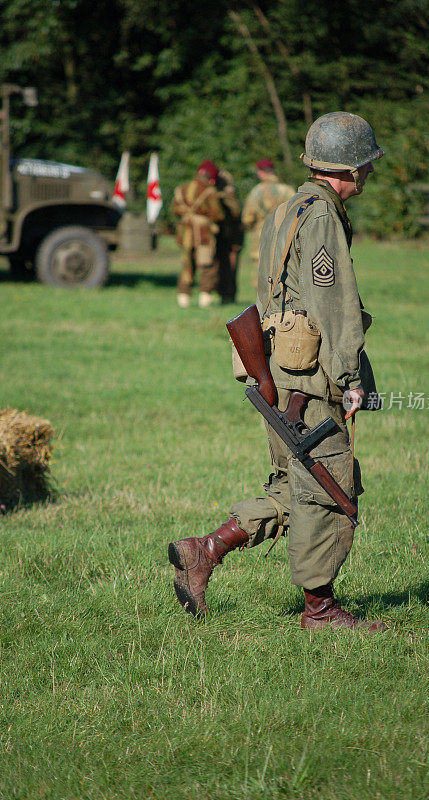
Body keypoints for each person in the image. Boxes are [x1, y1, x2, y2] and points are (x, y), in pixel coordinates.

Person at [169, 112, 388, 632]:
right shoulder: (322, 218)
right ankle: (320, 609)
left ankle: (205, 550)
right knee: (329, 489)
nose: (370, 175)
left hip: (277, 372)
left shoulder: (290, 207)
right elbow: (334, 305)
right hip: (309, 377)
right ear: (350, 168)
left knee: (294, 487)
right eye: (367, 166)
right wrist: (352, 379)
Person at [172, 160, 224, 308]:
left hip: (185, 234)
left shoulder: (182, 188)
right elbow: (217, 214)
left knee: (186, 264)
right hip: (203, 235)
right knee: (207, 266)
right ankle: (204, 298)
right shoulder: (209, 191)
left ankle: (183, 298)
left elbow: (175, 210)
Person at [241, 159, 295, 285]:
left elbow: (247, 218)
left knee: (261, 277)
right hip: (284, 237)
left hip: (262, 237)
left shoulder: (256, 192)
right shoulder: (287, 190)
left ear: (260, 173)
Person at [215, 168, 244, 304]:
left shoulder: (229, 198)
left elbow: (236, 213)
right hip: (219, 239)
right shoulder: (213, 195)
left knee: (230, 269)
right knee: (219, 269)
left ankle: (229, 296)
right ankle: (222, 295)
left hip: (231, 240)